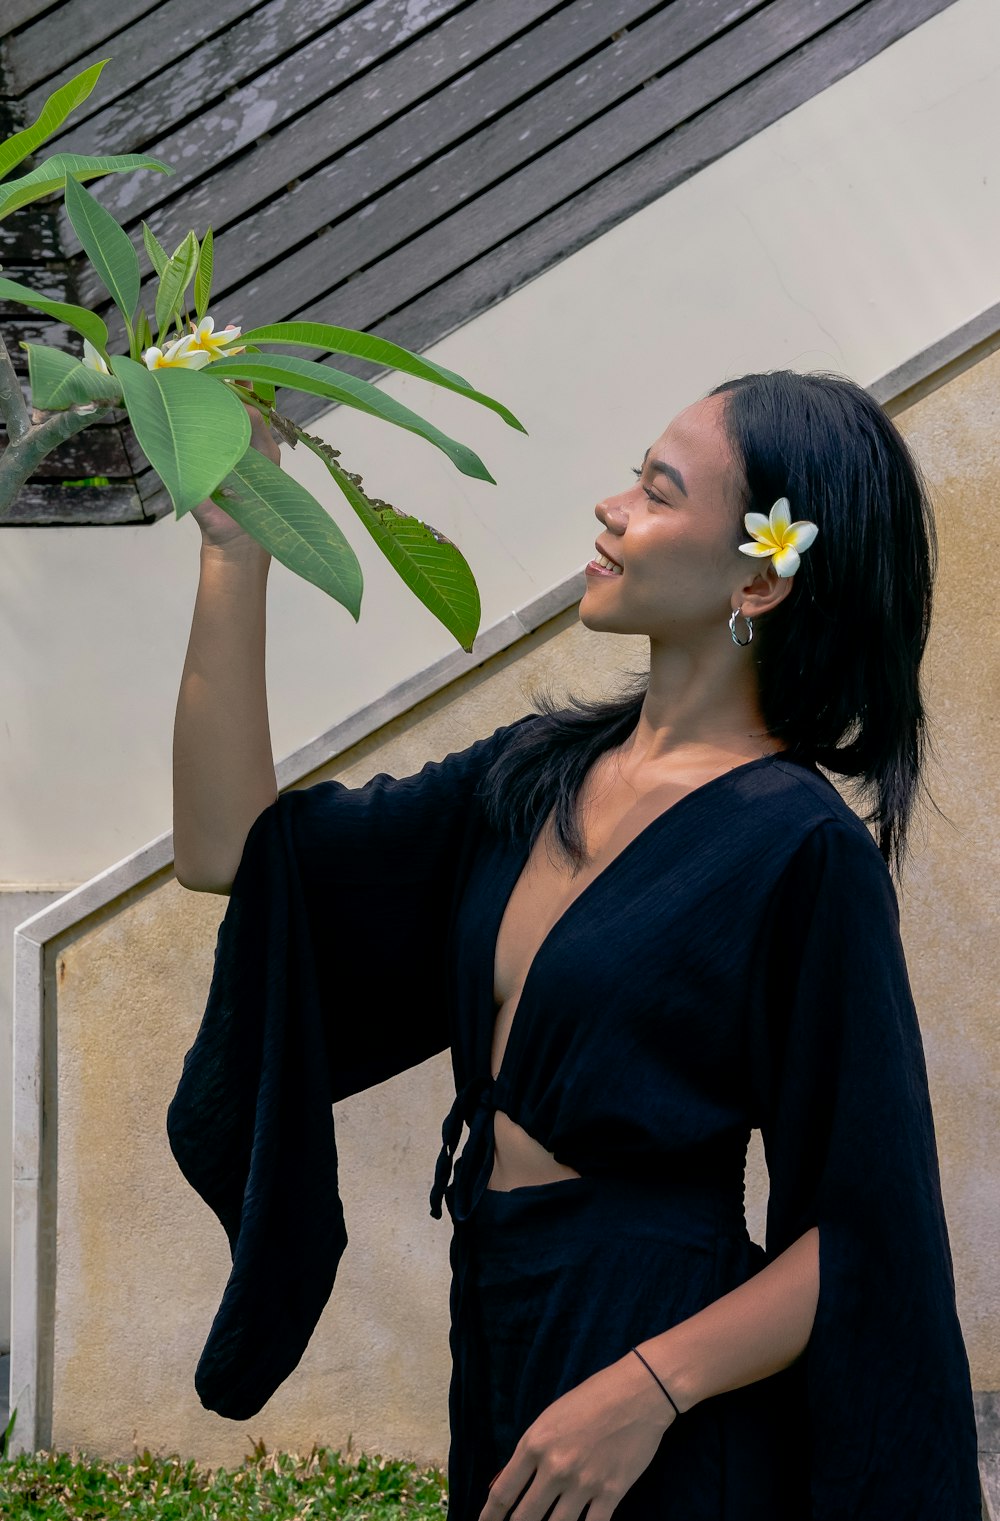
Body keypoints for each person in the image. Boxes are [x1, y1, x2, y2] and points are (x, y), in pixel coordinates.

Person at [169, 371, 981, 1519]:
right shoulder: (530, 775)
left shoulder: (799, 850)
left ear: (758, 575)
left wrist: (648, 1389)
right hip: (499, 1312)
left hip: (656, 1360)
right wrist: (237, 542)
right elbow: (229, 855)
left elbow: (867, 1229)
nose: (610, 508)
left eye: (656, 490)